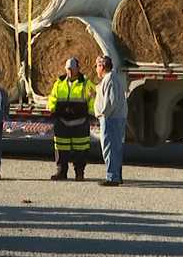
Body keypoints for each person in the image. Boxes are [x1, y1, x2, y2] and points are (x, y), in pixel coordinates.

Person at [47, 57, 96, 181]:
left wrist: (90, 114)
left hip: (80, 121)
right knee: (61, 148)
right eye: (68, 69)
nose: (70, 71)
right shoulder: (59, 83)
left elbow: (93, 99)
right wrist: (52, 109)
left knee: (81, 149)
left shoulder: (86, 83)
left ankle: (79, 173)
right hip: (62, 121)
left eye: (73, 69)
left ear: (78, 69)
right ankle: (61, 172)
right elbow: (53, 97)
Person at [94, 55, 128, 187]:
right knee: (115, 147)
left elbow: (111, 101)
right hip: (115, 117)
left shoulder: (110, 79)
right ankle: (116, 175)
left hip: (111, 118)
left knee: (110, 148)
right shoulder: (112, 78)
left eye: (97, 66)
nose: (96, 69)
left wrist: (103, 113)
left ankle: (112, 177)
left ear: (102, 66)